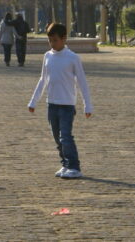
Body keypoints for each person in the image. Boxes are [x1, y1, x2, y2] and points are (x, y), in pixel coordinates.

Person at [28, 22, 93, 180]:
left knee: (66, 136)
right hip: (52, 104)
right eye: (50, 40)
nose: (52, 43)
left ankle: (74, 166)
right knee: (57, 137)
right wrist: (33, 101)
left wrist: (87, 105)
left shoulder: (72, 58)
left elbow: (82, 82)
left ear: (64, 39)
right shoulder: (47, 56)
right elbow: (43, 79)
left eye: (55, 40)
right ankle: (65, 164)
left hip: (67, 105)